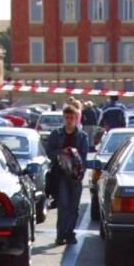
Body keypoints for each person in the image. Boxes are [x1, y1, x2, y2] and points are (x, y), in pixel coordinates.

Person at [46, 104, 88, 246]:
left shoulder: (82, 136)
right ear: (63, 118)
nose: (69, 120)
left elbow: (84, 156)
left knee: (73, 206)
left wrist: (73, 155)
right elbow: (49, 152)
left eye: (72, 117)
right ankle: (60, 234)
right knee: (63, 205)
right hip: (61, 175)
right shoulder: (56, 134)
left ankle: (70, 233)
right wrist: (61, 154)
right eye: (67, 117)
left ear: (76, 118)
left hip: (76, 175)